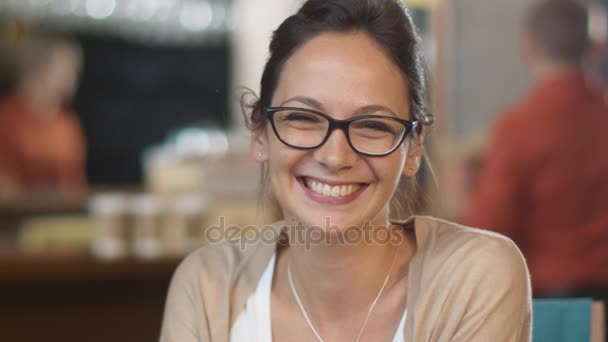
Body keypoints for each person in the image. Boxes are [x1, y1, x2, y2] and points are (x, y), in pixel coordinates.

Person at [161, 0, 531, 341]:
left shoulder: (474, 275)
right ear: (260, 134)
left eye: (372, 125)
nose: (335, 156)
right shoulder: (207, 285)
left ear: (414, 146)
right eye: (303, 118)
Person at [464, 0, 608, 308]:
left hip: (550, 307)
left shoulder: (517, 129)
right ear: (594, 47)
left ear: (528, 46)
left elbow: (489, 230)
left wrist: (463, 193)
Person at [0, 32, 87, 197]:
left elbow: (77, 187)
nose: (72, 80)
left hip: (61, 218)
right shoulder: (7, 119)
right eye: (65, 71)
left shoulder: (67, 123)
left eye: (74, 72)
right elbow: (5, 188)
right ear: (37, 69)